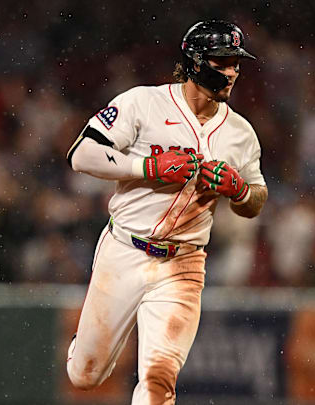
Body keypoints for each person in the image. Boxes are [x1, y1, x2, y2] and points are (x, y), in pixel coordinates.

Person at [65, 20, 268, 404]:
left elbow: (256, 199)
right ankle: (84, 346)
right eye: (222, 61)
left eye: (236, 63)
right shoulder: (143, 102)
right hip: (125, 248)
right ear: (194, 61)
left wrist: (238, 190)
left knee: (159, 379)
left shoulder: (240, 132)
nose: (232, 72)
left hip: (184, 264)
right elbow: (81, 154)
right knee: (85, 375)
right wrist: (147, 167)